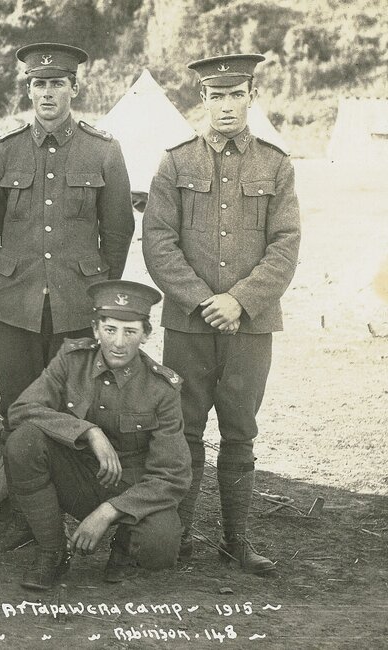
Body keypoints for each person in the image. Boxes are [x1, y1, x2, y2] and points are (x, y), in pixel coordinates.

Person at [142, 54, 301, 574]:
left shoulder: (276, 164)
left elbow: (285, 244)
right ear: (202, 99)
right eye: (217, 96)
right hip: (188, 325)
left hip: (250, 325)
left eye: (236, 95)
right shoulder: (175, 162)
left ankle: (236, 541)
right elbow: (158, 241)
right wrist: (201, 300)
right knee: (183, 429)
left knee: (239, 431)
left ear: (252, 96)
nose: (226, 106)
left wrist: (240, 301)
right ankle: (181, 535)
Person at [0, 43, 134, 551]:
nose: (47, 93)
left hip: (76, 306)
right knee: (17, 408)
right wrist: (3, 285)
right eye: (39, 84)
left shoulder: (102, 150)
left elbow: (118, 231)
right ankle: (27, 518)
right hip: (17, 306)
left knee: (77, 410)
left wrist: (99, 297)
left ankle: (80, 507)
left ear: (74, 88)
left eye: (57, 84)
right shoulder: (4, 150)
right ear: (28, 89)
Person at [5, 280, 190, 590]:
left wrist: (109, 511)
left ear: (146, 334)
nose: (118, 342)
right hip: (76, 476)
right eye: (110, 329)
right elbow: (22, 409)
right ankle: (52, 551)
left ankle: (124, 548)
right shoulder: (71, 360)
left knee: (161, 545)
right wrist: (88, 431)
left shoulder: (162, 388)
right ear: (95, 329)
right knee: (24, 442)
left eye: (130, 331)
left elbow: (173, 476)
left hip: (129, 487)